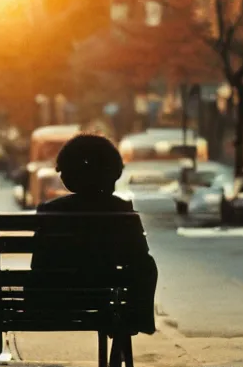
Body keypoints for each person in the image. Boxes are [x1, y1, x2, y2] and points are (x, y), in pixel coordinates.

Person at [27, 133, 158, 335]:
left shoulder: (49, 211)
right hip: (102, 297)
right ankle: (139, 319)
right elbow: (140, 256)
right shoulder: (121, 210)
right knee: (147, 266)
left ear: (67, 176)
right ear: (113, 173)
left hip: (53, 299)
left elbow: (39, 263)